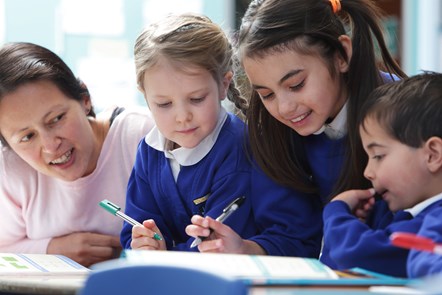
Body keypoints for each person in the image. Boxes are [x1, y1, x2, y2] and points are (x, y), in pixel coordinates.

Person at [120, 13, 323, 256]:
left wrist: (165, 252)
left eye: (196, 99)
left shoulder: (239, 150)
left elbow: (213, 249)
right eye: (164, 104)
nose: (182, 116)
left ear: (224, 85)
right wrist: (143, 243)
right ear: (145, 95)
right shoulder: (149, 151)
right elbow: (134, 228)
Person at [235, 0, 406, 265]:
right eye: (266, 94)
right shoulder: (271, 132)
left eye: (296, 84)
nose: (284, 107)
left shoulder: (405, 114)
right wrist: (246, 249)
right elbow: (290, 237)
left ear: (341, 56)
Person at [0, 42, 154, 267]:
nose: (51, 146)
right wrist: (53, 250)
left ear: (84, 99)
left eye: (56, 119)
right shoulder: (10, 168)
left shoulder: (141, 136)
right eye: (27, 136)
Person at [323, 72, 442, 277]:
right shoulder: (392, 213)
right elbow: (334, 267)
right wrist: (362, 222)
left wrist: (336, 212)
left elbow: (355, 255)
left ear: (432, 155)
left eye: (378, 155)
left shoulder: (437, 222)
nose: (367, 172)